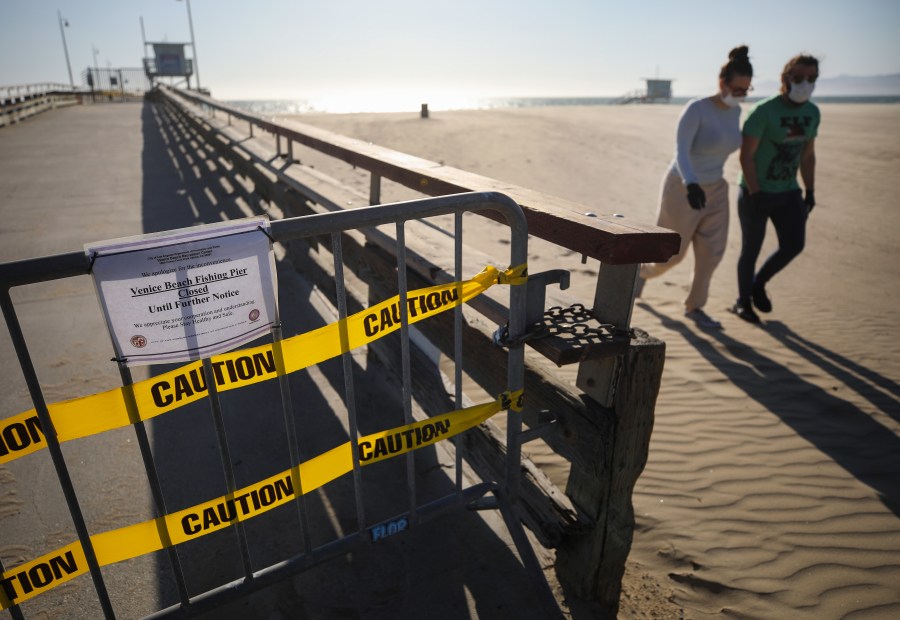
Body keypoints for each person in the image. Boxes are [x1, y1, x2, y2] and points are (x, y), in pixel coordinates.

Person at [639, 46, 753, 329]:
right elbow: (681, 152)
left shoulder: (735, 112)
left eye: (746, 91)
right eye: (737, 89)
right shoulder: (697, 109)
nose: (740, 95)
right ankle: (640, 274)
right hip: (683, 186)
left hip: (716, 188)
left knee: (712, 252)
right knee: (672, 255)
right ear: (722, 83)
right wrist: (691, 183)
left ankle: (695, 306)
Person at [731, 54, 820, 324]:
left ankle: (759, 283)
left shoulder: (812, 113)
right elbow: (746, 157)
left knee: (794, 244)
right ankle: (743, 302)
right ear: (786, 79)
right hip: (755, 192)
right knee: (751, 249)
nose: (805, 84)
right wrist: (756, 193)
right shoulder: (764, 112)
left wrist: (810, 190)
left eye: (812, 78)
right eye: (799, 78)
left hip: (788, 191)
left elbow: (807, 156)